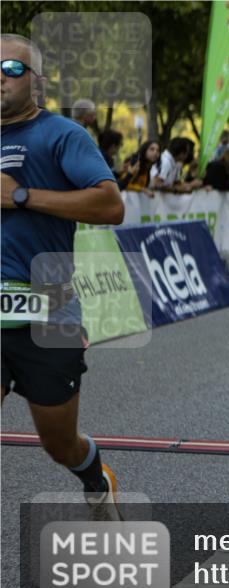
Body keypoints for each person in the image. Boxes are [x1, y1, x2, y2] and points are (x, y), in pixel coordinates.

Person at [1, 34, 126, 520]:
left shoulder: (62, 135)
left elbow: (111, 204)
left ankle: (95, 476)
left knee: (59, 442)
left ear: (37, 82)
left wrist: (22, 196)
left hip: (48, 314)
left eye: (11, 70)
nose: (1, 78)